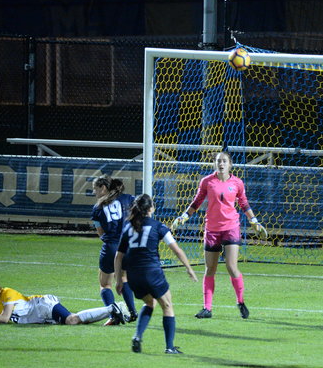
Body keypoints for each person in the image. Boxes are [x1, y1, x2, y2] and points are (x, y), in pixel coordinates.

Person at [171, 151, 267, 319]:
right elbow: (196, 201)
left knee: (231, 266)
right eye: (218, 161)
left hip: (231, 227)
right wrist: (184, 217)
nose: (221, 164)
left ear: (230, 164)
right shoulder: (207, 181)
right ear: (215, 164)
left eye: (224, 161)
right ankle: (207, 308)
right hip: (212, 229)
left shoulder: (237, 182)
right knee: (210, 268)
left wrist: (254, 221)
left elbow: (244, 203)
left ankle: (240, 301)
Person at [115, 194, 198, 354]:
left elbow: (118, 257)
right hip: (151, 272)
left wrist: (119, 280)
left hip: (133, 275)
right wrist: (189, 268)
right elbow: (176, 250)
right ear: (151, 208)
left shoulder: (128, 227)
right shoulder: (158, 226)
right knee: (167, 306)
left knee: (149, 303)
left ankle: (137, 336)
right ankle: (169, 347)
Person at [0, 277, 126, 325]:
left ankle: (113, 309)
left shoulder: (7, 293)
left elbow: (4, 318)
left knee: (72, 320)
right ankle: (113, 312)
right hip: (41, 316)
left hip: (43, 305)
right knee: (75, 321)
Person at [91, 174, 138, 325]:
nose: (94, 192)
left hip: (111, 246)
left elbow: (101, 234)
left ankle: (113, 315)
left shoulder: (97, 208)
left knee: (105, 284)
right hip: (128, 245)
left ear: (103, 188)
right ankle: (132, 311)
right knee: (123, 278)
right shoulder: (128, 199)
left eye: (95, 189)